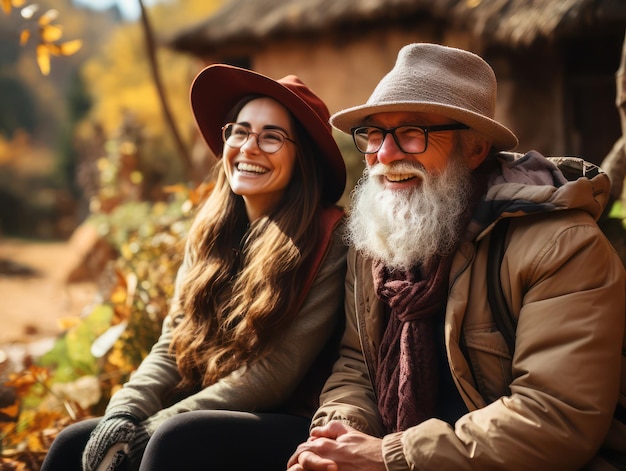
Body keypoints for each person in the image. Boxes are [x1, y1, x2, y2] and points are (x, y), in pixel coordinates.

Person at [287, 42, 626, 470]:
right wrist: (339, 433)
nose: (385, 156)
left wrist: (388, 456)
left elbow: (555, 416)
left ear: (475, 150)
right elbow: (358, 361)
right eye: (374, 135)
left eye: (412, 133)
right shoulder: (376, 237)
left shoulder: (561, 245)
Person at [42, 64, 348, 471]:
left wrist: (154, 425)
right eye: (240, 131)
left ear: (302, 157)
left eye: (272, 137)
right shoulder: (210, 233)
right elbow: (172, 344)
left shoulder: (329, 238)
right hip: (200, 410)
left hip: (286, 420)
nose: (249, 147)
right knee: (73, 443)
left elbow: (277, 373)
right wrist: (125, 415)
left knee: (173, 438)